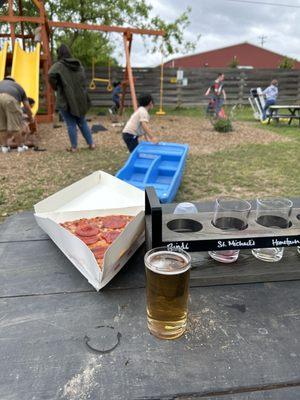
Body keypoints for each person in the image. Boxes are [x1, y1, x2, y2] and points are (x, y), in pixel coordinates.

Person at [48, 44, 95, 152]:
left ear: (59, 53)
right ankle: (91, 144)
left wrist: (55, 85)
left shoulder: (59, 65)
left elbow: (50, 74)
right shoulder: (78, 65)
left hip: (65, 99)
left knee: (71, 124)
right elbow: (83, 81)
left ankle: (74, 147)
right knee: (82, 122)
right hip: (80, 98)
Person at [0, 76, 34, 153]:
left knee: (1, 125)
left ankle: (4, 147)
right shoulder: (18, 86)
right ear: (13, 81)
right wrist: (31, 118)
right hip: (10, 99)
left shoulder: (0, 83)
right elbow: (27, 106)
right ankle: (20, 146)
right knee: (16, 125)